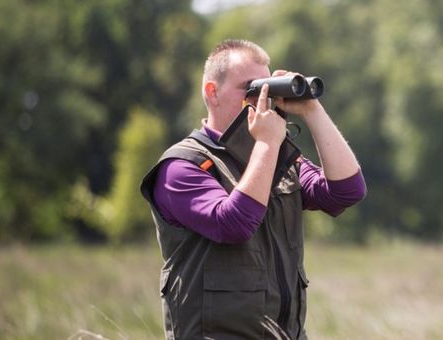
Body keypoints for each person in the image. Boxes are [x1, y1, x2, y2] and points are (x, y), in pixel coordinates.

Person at [140, 39, 366, 339]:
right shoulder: (182, 166)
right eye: (251, 88)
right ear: (212, 92)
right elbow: (233, 224)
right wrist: (268, 143)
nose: (261, 98)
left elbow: (346, 191)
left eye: (267, 87)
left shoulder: (275, 156)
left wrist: (312, 110)